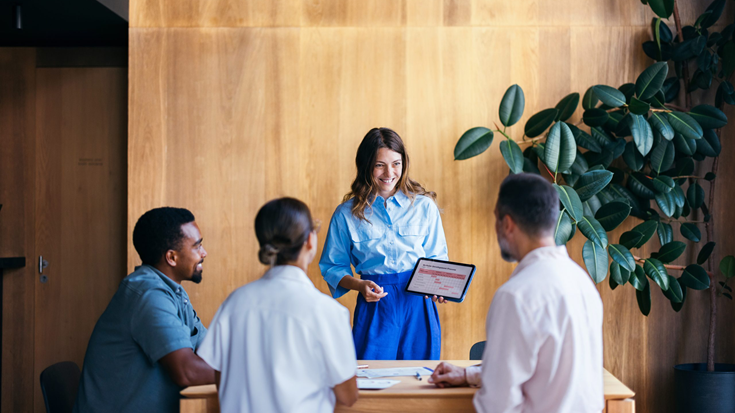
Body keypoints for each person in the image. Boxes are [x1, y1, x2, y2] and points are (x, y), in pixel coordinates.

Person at [428, 173, 604, 413]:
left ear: (507, 224)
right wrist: (470, 374)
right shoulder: (583, 283)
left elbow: (497, 405)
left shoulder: (516, 296)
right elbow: (551, 371)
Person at [197, 198, 358, 413]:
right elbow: (347, 396)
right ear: (310, 240)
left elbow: (220, 377)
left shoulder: (234, 303)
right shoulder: (327, 311)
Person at [319, 127, 448, 360]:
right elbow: (332, 267)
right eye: (380, 164)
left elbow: (438, 258)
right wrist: (359, 286)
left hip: (418, 306)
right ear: (366, 165)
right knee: (371, 382)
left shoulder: (424, 207)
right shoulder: (346, 214)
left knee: (419, 380)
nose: (389, 172)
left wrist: (440, 287)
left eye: (396, 163)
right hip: (376, 303)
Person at [74, 207, 215, 413]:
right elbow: (186, 372)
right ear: (172, 258)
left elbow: (211, 350)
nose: (204, 253)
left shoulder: (173, 292)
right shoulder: (149, 295)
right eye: (197, 246)